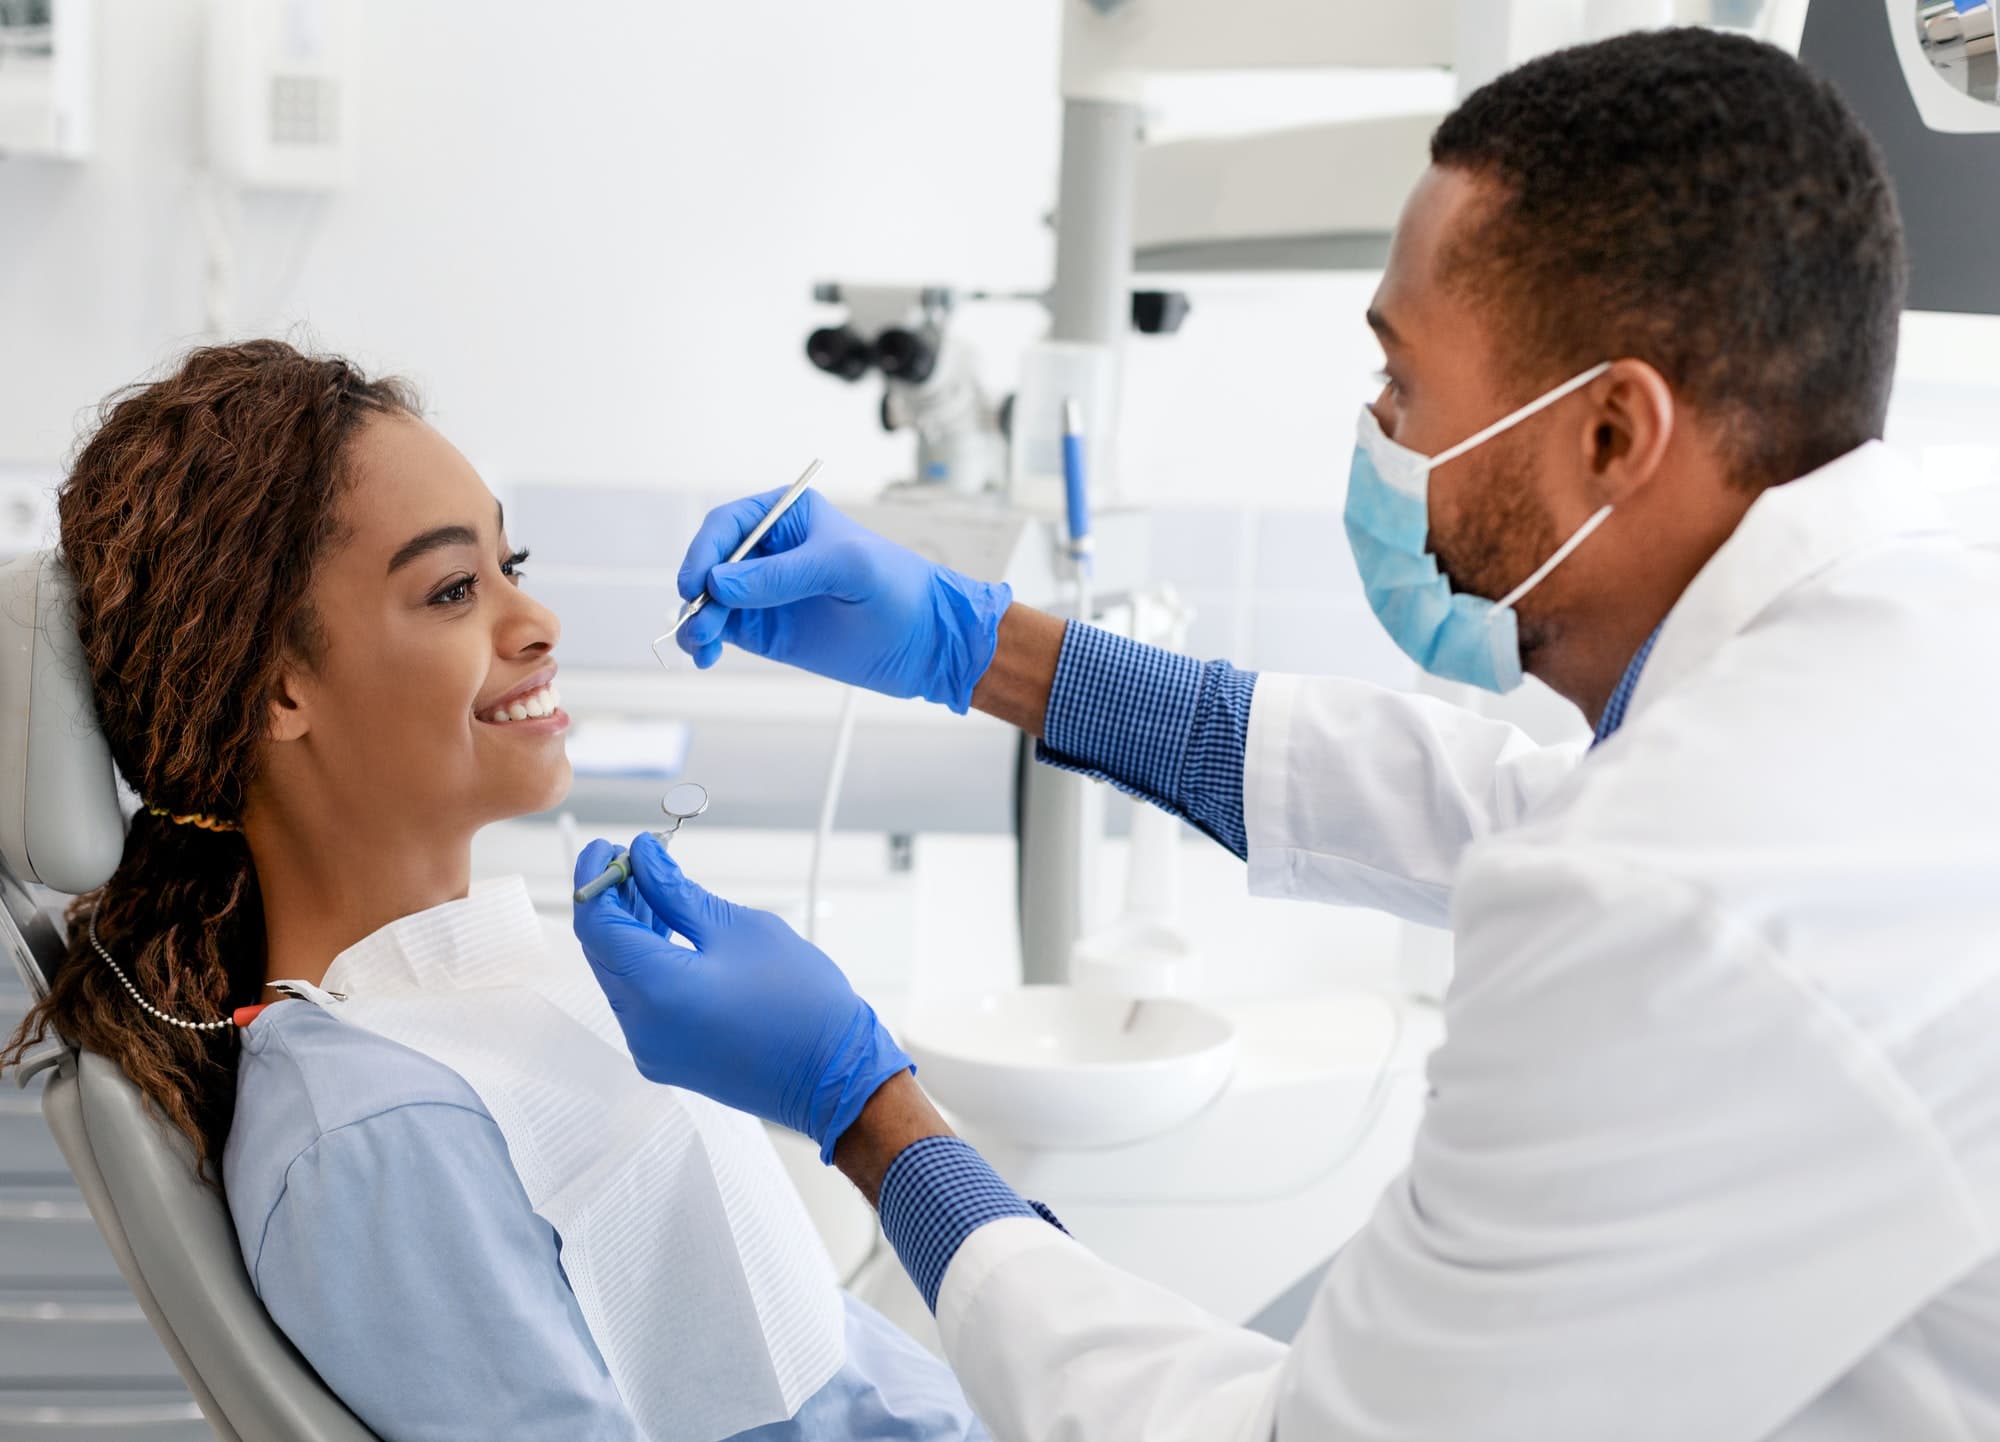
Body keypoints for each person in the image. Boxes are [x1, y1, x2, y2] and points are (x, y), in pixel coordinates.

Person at [572, 28, 2000, 1442]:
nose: (1381, 432)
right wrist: (978, 645)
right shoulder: (1901, 659)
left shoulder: (1668, 893)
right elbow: (1510, 808)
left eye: (1403, 383)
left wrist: (870, 1115)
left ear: (1614, 433)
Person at [0, 340, 987, 1441]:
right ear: (278, 687)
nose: (536, 621)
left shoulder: (473, 998)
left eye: (511, 563)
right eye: (456, 588)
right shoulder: (375, 1136)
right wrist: (859, 1105)